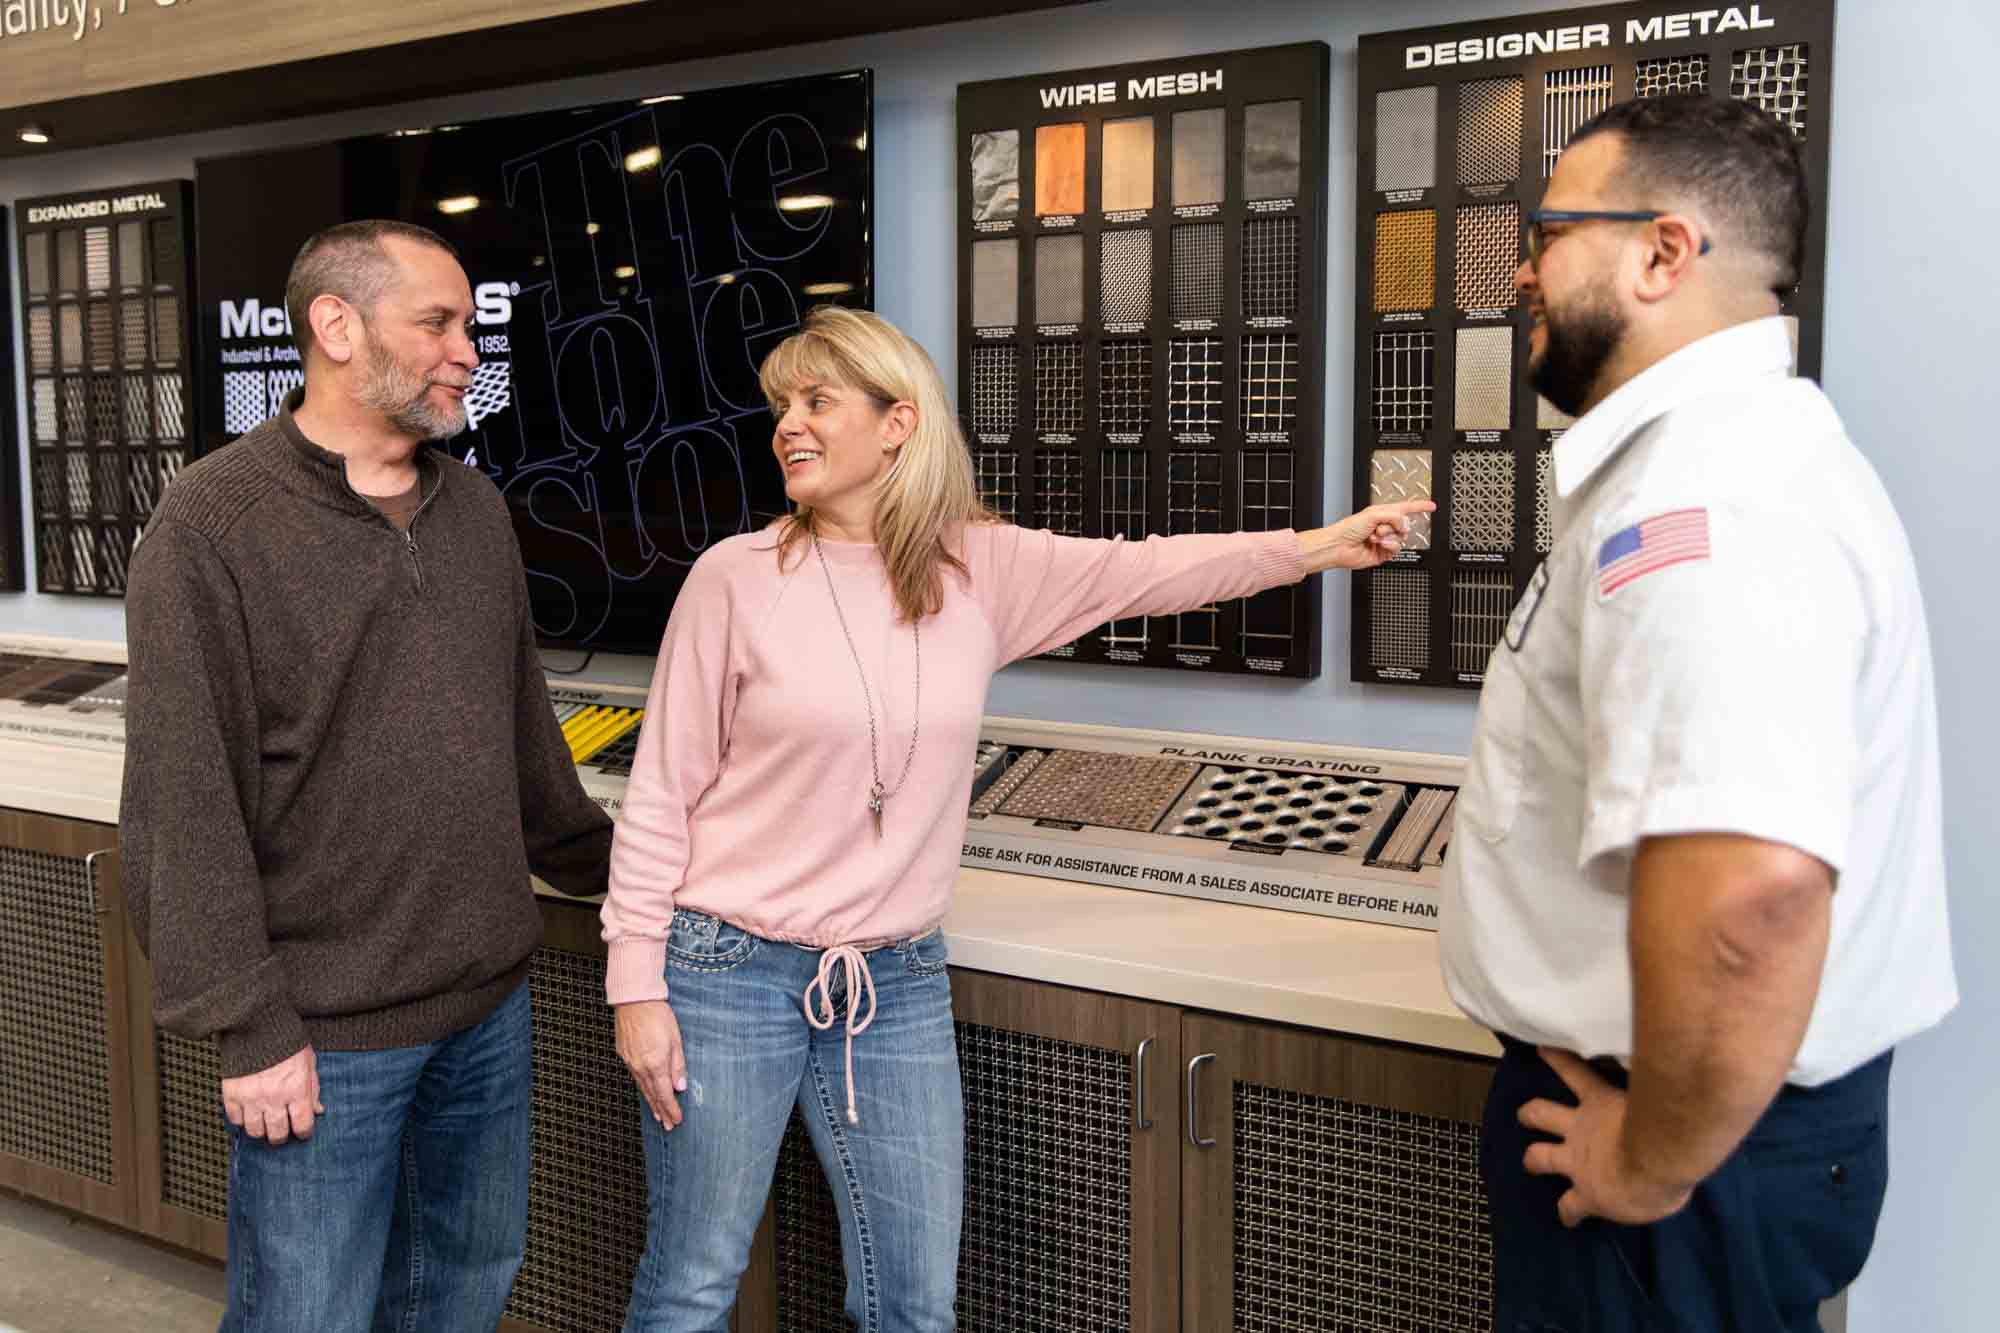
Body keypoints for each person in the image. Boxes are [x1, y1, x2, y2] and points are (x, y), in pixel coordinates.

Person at [601, 305, 1430, 1331]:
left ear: (898, 421)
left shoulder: (976, 569)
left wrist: (1315, 546)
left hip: (893, 981)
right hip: (724, 973)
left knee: (913, 1303)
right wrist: (635, 982)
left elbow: (1149, 571)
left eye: (816, 401)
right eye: (781, 406)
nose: (787, 426)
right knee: (691, 1284)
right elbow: (659, 798)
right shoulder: (734, 578)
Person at [1439, 95, 1956, 1331]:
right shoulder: (1732, 458)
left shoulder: (1708, 499)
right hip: (1706, 1134)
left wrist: (1652, 1159)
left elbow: (1750, 889)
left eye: (1549, 231)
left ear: (1662, 252)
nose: (1520, 266)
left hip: (1671, 1166)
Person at [120, 220, 614, 1332]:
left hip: (485, 1011)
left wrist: (630, 871)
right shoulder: (211, 524)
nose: (466, 352)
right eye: (436, 322)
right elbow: (181, 800)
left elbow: (527, 745)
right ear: (334, 326)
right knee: (305, 1314)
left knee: (460, 1294)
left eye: (469, 326)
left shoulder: (475, 509)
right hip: (320, 1036)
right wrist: (249, 1027)